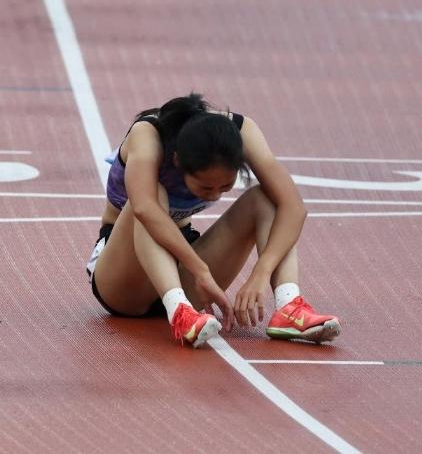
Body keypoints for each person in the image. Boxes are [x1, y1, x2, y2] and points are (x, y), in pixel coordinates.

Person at [86, 93, 341, 348]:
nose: (215, 194)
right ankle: (179, 311)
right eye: (206, 188)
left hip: (183, 265)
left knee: (268, 198)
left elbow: (294, 207)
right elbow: (144, 208)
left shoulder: (243, 132)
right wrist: (200, 270)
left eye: (225, 186)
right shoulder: (147, 135)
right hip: (124, 280)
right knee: (150, 196)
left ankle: (289, 306)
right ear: (177, 161)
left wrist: (261, 272)